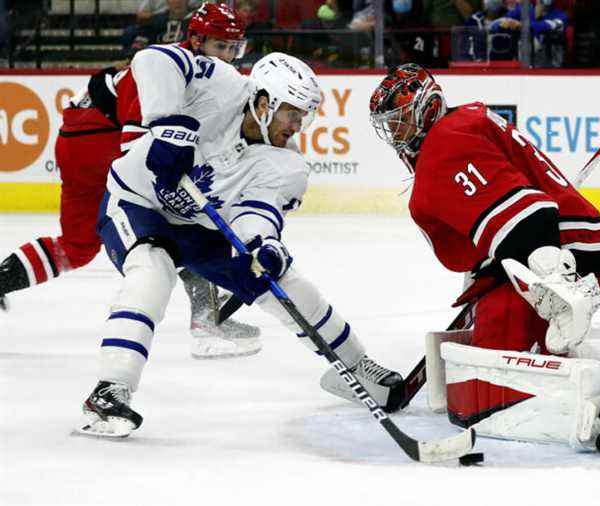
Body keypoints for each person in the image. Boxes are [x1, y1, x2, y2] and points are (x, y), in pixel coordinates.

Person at [75, 50, 403, 438]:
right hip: (137, 202)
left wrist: (263, 244)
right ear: (264, 103)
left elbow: (255, 212)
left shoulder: (286, 165)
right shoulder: (220, 84)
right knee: (153, 268)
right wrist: (167, 126)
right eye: (292, 113)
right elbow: (152, 59)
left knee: (283, 283)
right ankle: (110, 388)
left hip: (200, 227)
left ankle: (355, 366)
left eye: (303, 116)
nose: (298, 125)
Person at [368, 64, 600, 455]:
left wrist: (558, 286)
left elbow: (529, 217)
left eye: (398, 123)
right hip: (574, 253)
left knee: (483, 388)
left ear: (426, 109)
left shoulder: (443, 147)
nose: (395, 135)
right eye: (389, 126)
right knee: (493, 352)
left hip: (558, 267)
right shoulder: (466, 120)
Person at [0, 2, 259, 360]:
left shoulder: (189, 66)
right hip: (98, 141)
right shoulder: (168, 67)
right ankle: (207, 320)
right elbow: (136, 142)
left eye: (233, 48)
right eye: (221, 46)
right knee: (184, 219)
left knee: (77, 247)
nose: (228, 56)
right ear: (196, 41)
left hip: (77, 140)